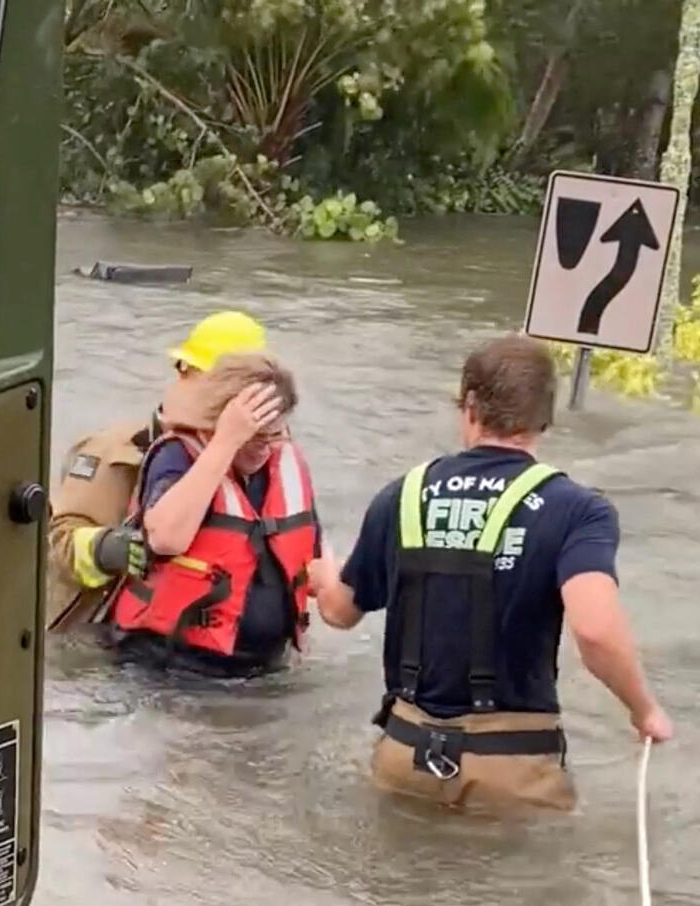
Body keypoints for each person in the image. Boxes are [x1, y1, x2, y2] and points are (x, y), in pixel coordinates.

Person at [308, 332, 672, 812]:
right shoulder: (577, 509)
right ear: (545, 416)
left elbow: (338, 612)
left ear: (471, 406)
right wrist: (644, 711)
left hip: (403, 754)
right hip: (513, 770)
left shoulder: (401, 495)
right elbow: (596, 630)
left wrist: (322, 576)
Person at [46, 310, 268, 632]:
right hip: (106, 641)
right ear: (186, 374)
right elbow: (56, 544)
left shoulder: (262, 464)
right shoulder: (112, 456)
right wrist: (108, 548)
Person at [106, 352, 319, 678]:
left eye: (273, 435)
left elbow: (312, 562)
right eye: (254, 436)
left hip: (265, 670)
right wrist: (226, 441)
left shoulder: (284, 465)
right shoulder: (177, 456)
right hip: (171, 669)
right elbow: (165, 538)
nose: (264, 448)